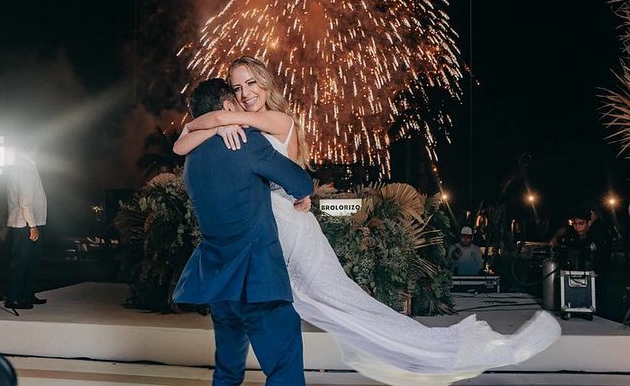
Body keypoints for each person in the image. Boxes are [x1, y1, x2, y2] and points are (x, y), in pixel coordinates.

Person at [174, 56, 561, 386]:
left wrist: (212, 121)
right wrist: (216, 124)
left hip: (286, 230)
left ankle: (438, 349)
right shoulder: (239, 130)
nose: (244, 94)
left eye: (251, 83)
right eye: (237, 87)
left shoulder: (271, 121)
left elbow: (195, 141)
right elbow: (194, 141)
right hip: (267, 234)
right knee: (293, 322)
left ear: (265, 83)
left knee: (345, 305)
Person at [172, 78, 314, 386]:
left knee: (227, 372)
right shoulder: (246, 142)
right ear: (226, 107)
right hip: (257, 278)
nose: (242, 107)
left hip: (219, 283)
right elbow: (301, 183)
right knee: (284, 370)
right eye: (235, 104)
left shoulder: (191, 159)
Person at [5, 139, 47, 310]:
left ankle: (27, 294)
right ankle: (16, 298)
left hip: (24, 223)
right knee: (23, 262)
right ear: (33, 147)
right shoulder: (26, 168)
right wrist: (33, 226)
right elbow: (26, 202)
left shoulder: (21, 167)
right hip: (25, 225)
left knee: (30, 261)